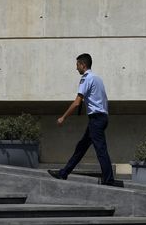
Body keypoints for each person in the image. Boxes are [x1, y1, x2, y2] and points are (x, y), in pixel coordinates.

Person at [48, 53, 121, 186]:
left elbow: (77, 102)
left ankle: (109, 180)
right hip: (102, 117)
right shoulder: (98, 78)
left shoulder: (86, 78)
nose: (76, 68)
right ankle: (64, 173)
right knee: (81, 147)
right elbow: (104, 99)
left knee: (100, 150)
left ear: (83, 65)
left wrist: (63, 117)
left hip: (96, 119)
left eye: (77, 65)